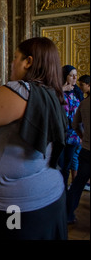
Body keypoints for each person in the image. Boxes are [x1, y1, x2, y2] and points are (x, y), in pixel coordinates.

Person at [0, 37, 68, 240]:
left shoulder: (21, 90)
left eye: (16, 58)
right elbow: (21, 118)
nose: (12, 62)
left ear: (28, 61)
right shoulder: (48, 91)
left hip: (16, 207)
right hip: (47, 197)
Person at [58, 65, 83, 188]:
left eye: (75, 75)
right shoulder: (57, 90)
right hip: (60, 134)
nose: (74, 78)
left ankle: (64, 189)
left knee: (67, 164)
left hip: (73, 135)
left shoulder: (77, 91)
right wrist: (62, 89)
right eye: (71, 75)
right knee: (59, 163)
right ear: (65, 76)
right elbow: (51, 103)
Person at [66, 93, 90, 223]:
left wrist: (83, 136)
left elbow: (75, 124)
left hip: (86, 149)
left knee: (78, 184)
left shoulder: (85, 102)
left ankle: (68, 214)